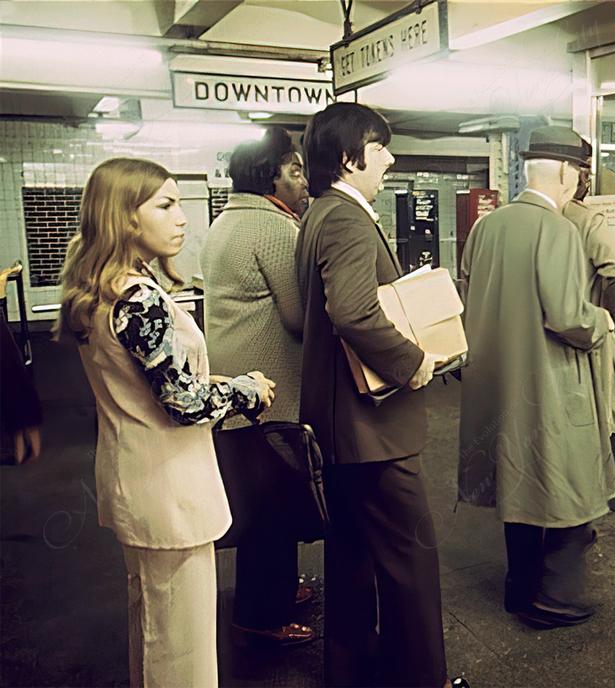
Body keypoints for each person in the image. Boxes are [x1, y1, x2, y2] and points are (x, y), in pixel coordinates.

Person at [55, 157, 275, 687]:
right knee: (182, 647)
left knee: (153, 626)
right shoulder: (139, 300)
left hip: (135, 479)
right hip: (171, 490)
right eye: (166, 205)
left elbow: (155, 383)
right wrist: (246, 388)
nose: (181, 218)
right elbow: (185, 404)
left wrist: (206, 380)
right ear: (125, 217)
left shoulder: (101, 290)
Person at [297, 103, 458, 688]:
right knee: (411, 559)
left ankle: (356, 671)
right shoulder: (345, 218)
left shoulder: (319, 212)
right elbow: (354, 312)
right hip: (370, 429)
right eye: (379, 145)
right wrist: (413, 362)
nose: (389, 157)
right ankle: (422, 676)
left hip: (336, 425)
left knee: (351, 558)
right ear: (348, 157)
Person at [458, 126, 615, 629]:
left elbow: (469, 286)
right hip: (546, 382)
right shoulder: (559, 229)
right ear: (568, 175)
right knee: (566, 481)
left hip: (495, 379)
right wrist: (603, 321)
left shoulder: (488, 226)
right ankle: (552, 596)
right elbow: (568, 316)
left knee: (515, 484)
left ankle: (517, 587)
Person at [200, 127, 314, 646]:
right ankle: (260, 616)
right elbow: (298, 315)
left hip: (240, 388)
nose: (304, 180)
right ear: (271, 177)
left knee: (262, 500)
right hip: (267, 395)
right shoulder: (273, 229)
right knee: (271, 508)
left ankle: (279, 590)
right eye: (295, 170)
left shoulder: (226, 221)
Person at [562, 139, 615, 438]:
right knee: (589, 420)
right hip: (582, 335)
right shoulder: (585, 219)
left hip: (530, 342)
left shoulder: (506, 219)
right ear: (574, 174)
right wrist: (611, 314)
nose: (588, 182)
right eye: (586, 173)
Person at [1, 265, 41, 465]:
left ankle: (22, 456)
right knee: (25, 419)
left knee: (18, 421)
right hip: (16, 378)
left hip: (12, 381)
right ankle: (29, 455)